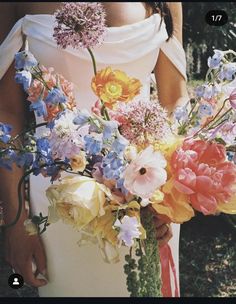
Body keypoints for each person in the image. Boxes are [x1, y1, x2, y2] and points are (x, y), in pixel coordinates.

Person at [0, 2, 189, 296]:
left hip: (148, 194)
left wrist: (168, 196)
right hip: (60, 203)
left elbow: (174, 100)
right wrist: (16, 221)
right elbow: (7, 113)